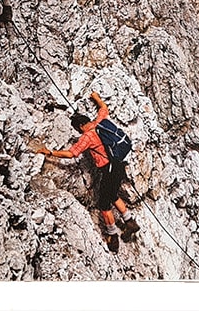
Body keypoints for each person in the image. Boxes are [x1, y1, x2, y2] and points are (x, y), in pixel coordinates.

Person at [36, 91, 140, 252]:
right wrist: (96, 97)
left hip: (108, 169)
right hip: (119, 165)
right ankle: (130, 222)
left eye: (78, 130)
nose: (79, 133)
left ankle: (112, 237)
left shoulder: (87, 137)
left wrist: (49, 152)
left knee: (104, 204)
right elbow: (104, 107)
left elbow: (71, 153)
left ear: (79, 127)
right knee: (113, 195)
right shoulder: (100, 122)